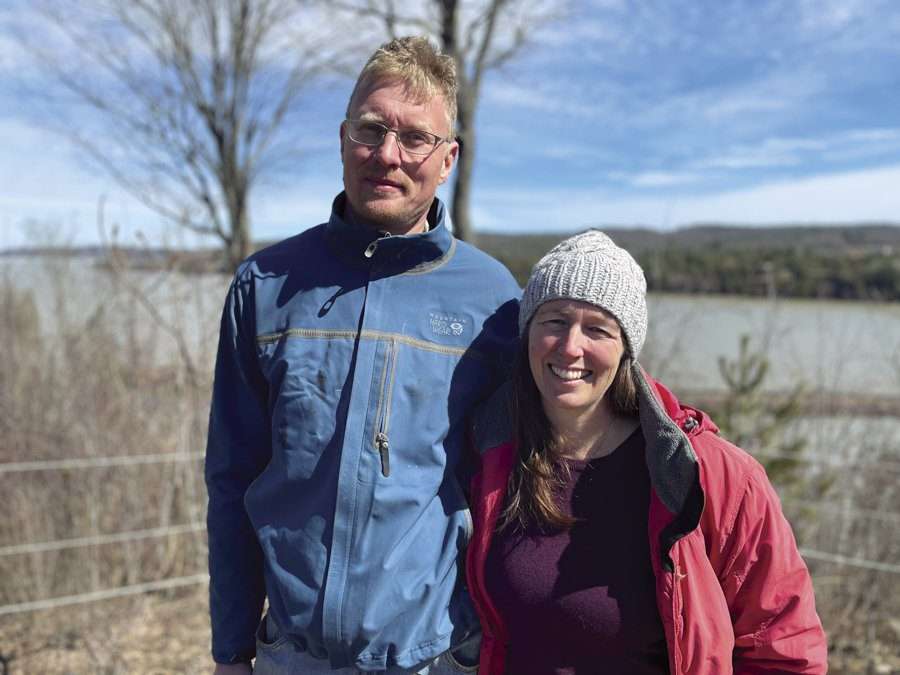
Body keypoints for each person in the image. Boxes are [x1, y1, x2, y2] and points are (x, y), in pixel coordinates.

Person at [205, 36, 519, 674]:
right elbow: (231, 479)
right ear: (343, 136)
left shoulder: (495, 305)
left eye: (415, 138)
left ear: (449, 157)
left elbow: (515, 493)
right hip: (291, 657)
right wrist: (231, 648)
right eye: (370, 130)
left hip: (434, 658)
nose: (387, 155)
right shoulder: (266, 287)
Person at [466, 231, 828, 674]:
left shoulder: (707, 475)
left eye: (597, 328)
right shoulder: (490, 456)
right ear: (527, 334)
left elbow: (783, 648)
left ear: (626, 352)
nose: (571, 346)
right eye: (554, 321)